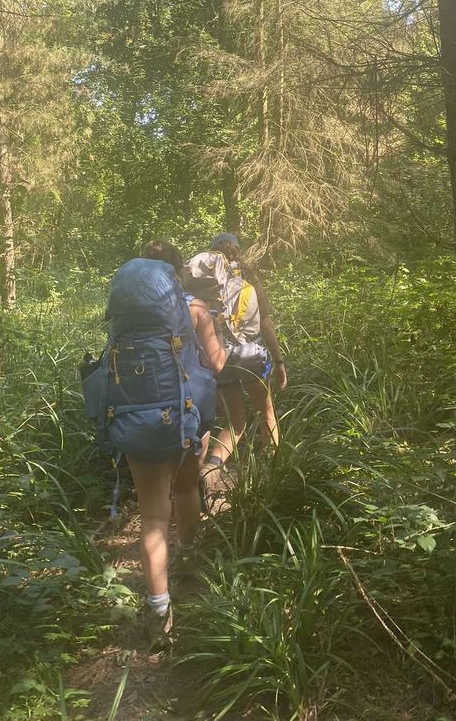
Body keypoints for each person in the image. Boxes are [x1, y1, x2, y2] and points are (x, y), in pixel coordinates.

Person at [112, 240, 226, 649]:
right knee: (184, 488)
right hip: (186, 417)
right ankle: (190, 558)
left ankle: (160, 610)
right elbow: (216, 364)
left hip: (136, 417)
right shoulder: (195, 308)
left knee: (152, 516)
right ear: (175, 273)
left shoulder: (124, 317)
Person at [192, 233, 287, 501]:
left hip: (219, 357)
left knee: (236, 422)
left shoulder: (207, 289)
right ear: (238, 252)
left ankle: (210, 470)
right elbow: (266, 324)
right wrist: (279, 361)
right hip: (252, 357)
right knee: (266, 413)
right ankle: (272, 477)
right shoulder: (250, 282)